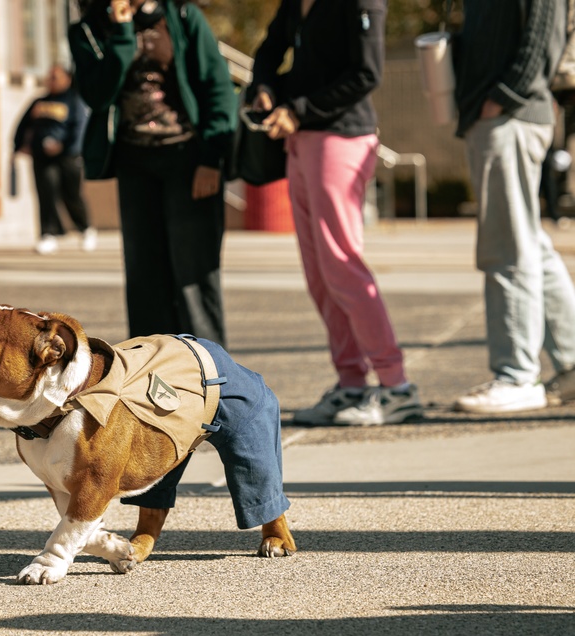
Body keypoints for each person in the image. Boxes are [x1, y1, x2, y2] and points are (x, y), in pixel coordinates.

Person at [250, 0, 422, 426]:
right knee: (319, 275)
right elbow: (269, 50)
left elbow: (367, 74)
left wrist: (299, 109)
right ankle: (351, 384)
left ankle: (397, 386)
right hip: (301, 141)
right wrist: (266, 87)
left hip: (342, 138)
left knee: (342, 265)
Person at [69, 0, 235, 347]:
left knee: (194, 276)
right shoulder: (89, 30)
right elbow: (98, 96)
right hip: (134, 163)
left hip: (187, 157)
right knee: (145, 278)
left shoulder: (183, 17)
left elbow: (217, 87)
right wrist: (123, 33)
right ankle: (152, 377)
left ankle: (211, 378)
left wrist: (211, 159)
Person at [452, 0, 575, 413]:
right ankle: (573, 363)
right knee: (528, 243)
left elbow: (544, 31)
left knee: (507, 248)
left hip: (510, 114)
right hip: (502, 114)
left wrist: (503, 96)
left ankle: (517, 376)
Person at [13, 64, 96, 255]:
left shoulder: (74, 100)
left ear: (67, 79)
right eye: (49, 76)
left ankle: (85, 229)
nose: (51, 80)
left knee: (71, 194)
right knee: (46, 193)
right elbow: (22, 125)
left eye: (55, 76)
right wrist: (19, 146)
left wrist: (65, 147)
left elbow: (80, 129)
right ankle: (48, 234)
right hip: (42, 156)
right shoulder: (39, 101)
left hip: (67, 156)